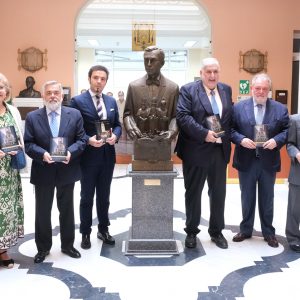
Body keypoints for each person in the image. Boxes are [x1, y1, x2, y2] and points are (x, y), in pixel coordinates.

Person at [24, 80, 87, 263]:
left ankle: (68, 245)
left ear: (62, 95)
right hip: (43, 170)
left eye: (56, 93)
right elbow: (28, 144)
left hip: (67, 169)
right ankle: (43, 248)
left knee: (67, 210)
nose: (53, 96)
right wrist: (42, 154)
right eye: (49, 93)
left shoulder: (74, 115)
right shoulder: (33, 117)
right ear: (43, 96)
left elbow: (82, 140)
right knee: (42, 212)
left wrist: (71, 152)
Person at [175, 57, 233, 249]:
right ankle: (191, 231)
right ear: (201, 73)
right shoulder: (188, 90)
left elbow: (228, 119)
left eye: (215, 71)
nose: (212, 75)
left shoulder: (226, 89)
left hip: (219, 150)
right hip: (196, 150)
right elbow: (183, 116)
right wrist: (204, 134)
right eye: (208, 71)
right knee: (193, 193)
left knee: (218, 193)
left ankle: (216, 232)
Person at [231, 73, 289, 248]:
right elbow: (231, 129)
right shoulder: (238, 108)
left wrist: (276, 141)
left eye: (265, 88)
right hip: (246, 160)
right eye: (258, 88)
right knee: (247, 197)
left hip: (268, 160)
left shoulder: (280, 109)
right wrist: (240, 139)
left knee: (267, 198)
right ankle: (246, 229)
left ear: (269, 90)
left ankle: (269, 233)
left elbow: (287, 130)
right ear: (252, 89)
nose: (261, 91)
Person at [70, 65, 122, 249]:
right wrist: (87, 140)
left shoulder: (111, 101)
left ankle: (103, 229)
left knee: (104, 196)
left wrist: (116, 135)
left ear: (106, 81)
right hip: (88, 157)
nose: (99, 81)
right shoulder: (77, 101)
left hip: (108, 156)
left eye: (102, 78)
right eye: (96, 78)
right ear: (89, 79)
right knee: (86, 196)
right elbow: (73, 130)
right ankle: (85, 232)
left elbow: (117, 124)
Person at [123, 46, 178, 142]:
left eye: (153, 60)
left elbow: (176, 116)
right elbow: (127, 114)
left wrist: (172, 131)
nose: (148, 64)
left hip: (163, 141)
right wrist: (129, 126)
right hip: (140, 139)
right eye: (146, 60)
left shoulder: (173, 88)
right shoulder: (133, 86)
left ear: (162, 63)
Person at [0, 73, 25, 269]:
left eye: (1, 87)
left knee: (7, 211)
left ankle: (3, 250)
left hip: (8, 173)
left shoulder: (12, 111)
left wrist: (17, 146)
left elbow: (19, 136)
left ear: (6, 92)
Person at [285, 114, 300, 252]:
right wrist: (296, 154)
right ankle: (293, 238)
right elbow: (290, 144)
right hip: (298, 172)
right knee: (295, 208)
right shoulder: (295, 120)